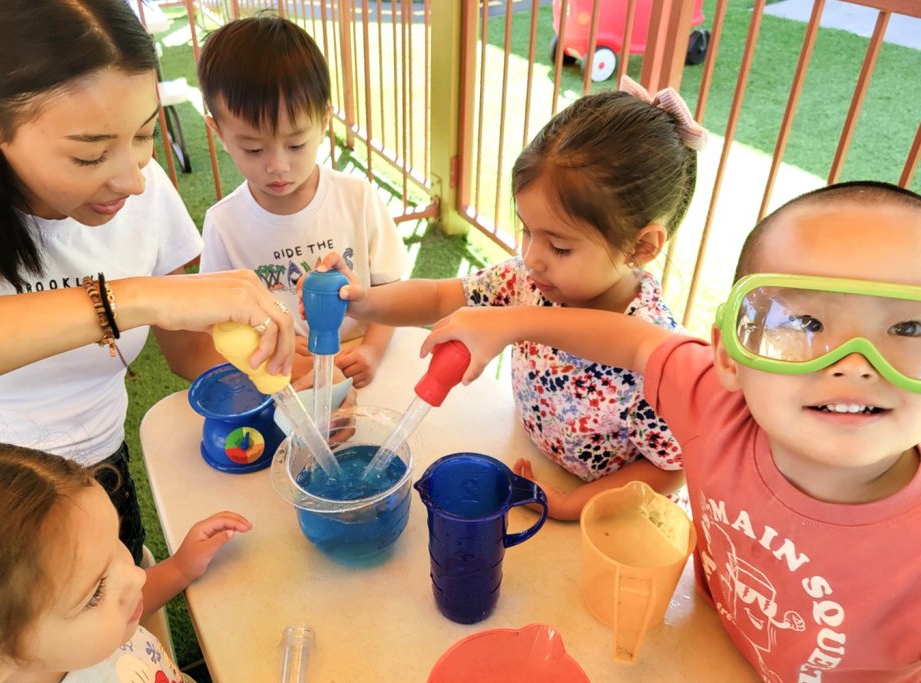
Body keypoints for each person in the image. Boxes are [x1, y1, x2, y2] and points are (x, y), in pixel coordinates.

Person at [421, 181, 921, 681]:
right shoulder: (718, 409)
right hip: (700, 641)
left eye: (909, 328)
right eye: (806, 322)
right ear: (727, 356)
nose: (855, 365)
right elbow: (640, 345)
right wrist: (510, 323)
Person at [0, 0, 294, 564]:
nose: (132, 179)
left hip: (97, 476)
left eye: (143, 134)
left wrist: (292, 372)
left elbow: (187, 351)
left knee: (128, 636)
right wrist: (127, 300)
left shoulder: (144, 188)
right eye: (89, 154)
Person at [310, 78, 705, 520]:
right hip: (531, 461)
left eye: (559, 246)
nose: (532, 258)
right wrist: (365, 302)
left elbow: (671, 469)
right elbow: (442, 296)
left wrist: (574, 505)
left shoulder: (656, 351)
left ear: (642, 246)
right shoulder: (529, 283)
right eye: (527, 230)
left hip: (612, 520)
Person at [0, 441, 251, 683]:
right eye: (95, 592)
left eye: (114, 544)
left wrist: (179, 568)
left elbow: (125, 614)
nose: (135, 577)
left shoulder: (86, 628)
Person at [196, 15, 411, 388]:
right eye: (253, 148)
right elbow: (216, 322)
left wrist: (372, 351)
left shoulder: (356, 198)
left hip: (361, 356)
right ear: (218, 132)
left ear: (324, 120)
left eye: (296, 144)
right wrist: (270, 343)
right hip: (282, 373)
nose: (278, 166)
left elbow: (391, 292)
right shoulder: (224, 224)